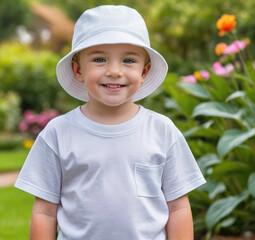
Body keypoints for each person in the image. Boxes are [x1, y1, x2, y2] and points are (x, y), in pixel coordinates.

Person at [15, 5, 206, 240]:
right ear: (78, 70)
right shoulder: (58, 133)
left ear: (144, 72)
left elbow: (178, 207)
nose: (114, 71)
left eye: (128, 60)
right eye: (99, 59)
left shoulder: (162, 131)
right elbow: (45, 211)